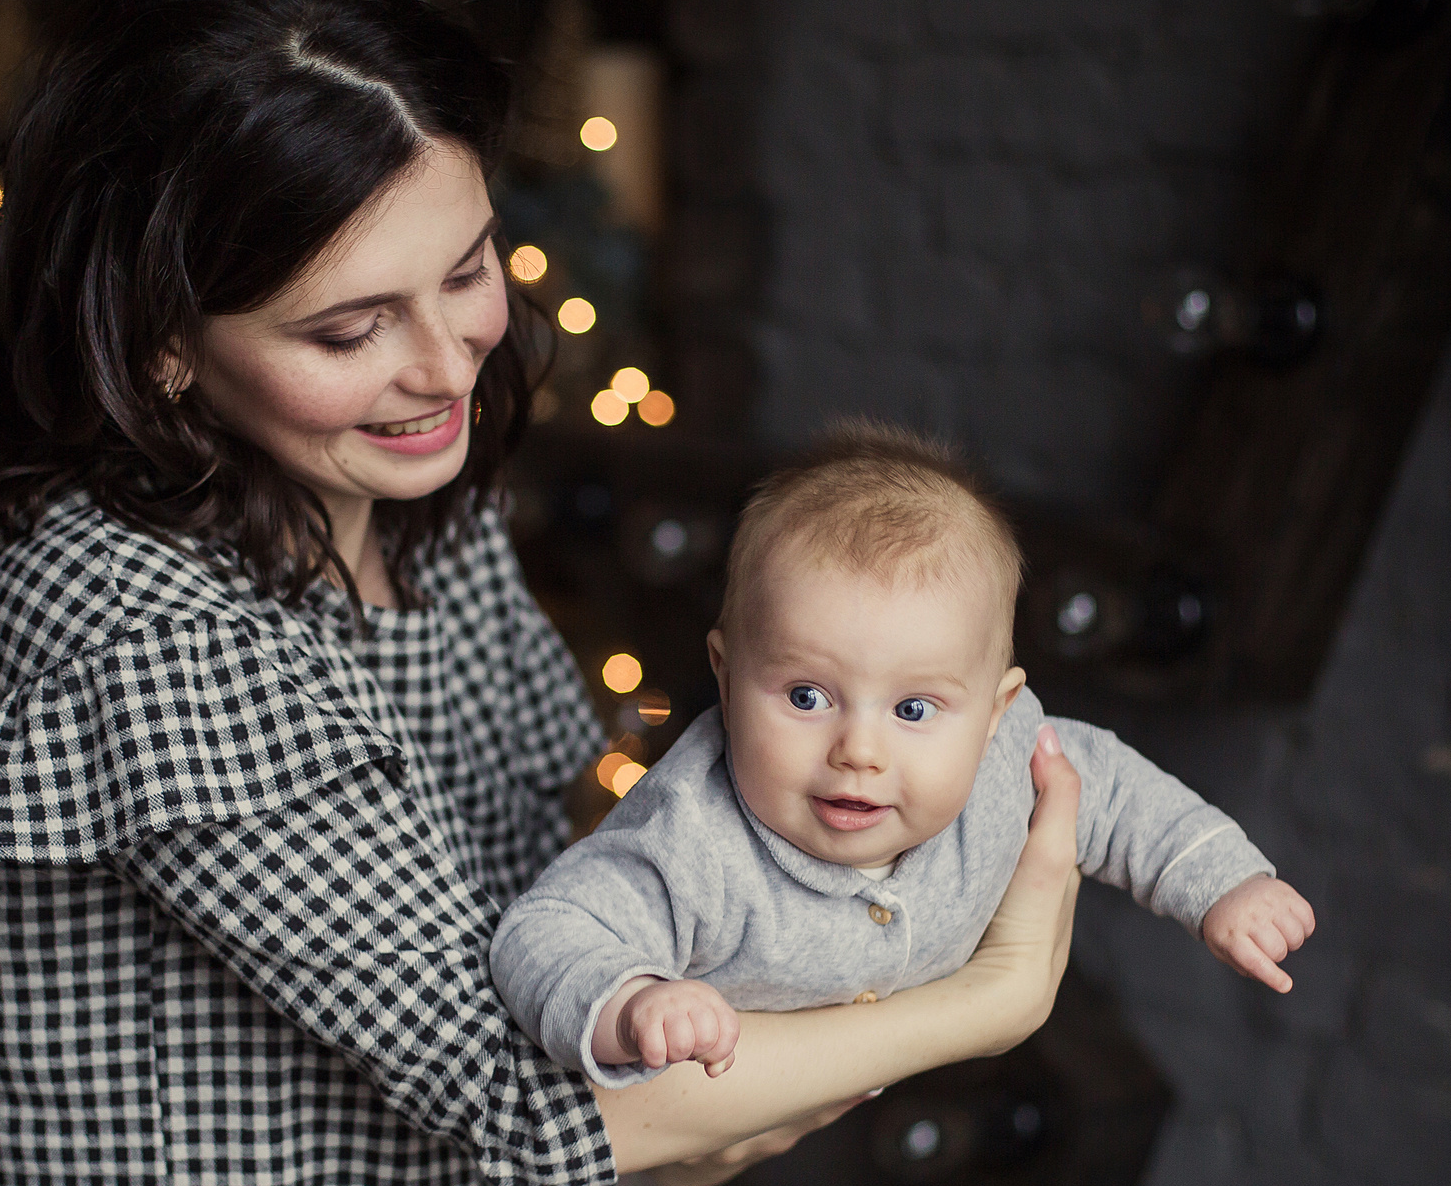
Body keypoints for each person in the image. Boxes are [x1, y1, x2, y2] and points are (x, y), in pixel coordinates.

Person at [0, 0, 1083, 1186]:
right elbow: (553, 1097)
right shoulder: (135, 637)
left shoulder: (401, 511)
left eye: (465, 268)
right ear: (165, 338)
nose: (451, 360)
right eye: (348, 325)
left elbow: (572, 876)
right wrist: (984, 994)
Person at [493, 425, 1316, 1082]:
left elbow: (1119, 792)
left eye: (914, 708)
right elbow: (545, 931)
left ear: (995, 712)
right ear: (726, 671)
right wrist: (630, 1003)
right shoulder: (693, 840)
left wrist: (1225, 883)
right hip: (693, 1117)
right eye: (806, 697)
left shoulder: (1012, 760)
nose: (858, 750)